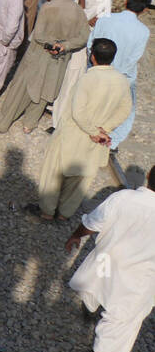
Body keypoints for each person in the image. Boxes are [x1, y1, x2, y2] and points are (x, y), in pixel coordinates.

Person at [32, 37, 132, 222]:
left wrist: (94, 131)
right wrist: (104, 130)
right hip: (99, 139)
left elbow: (78, 112)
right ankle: (65, 213)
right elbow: (125, 109)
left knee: (54, 172)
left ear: (92, 56)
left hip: (74, 133)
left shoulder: (87, 78)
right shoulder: (122, 81)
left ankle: (47, 211)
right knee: (82, 178)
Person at [67, 167, 155, 352]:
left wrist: (76, 235)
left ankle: (89, 310)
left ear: (149, 177)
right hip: (141, 277)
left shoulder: (123, 198)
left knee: (96, 286)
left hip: (109, 259)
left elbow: (93, 222)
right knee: (122, 318)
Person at [0, 0, 90, 136]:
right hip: (60, 57)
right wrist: (63, 46)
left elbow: (39, 35)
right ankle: (29, 124)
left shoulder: (48, 7)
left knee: (23, 87)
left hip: (40, 52)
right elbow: (83, 37)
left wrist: (51, 44)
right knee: (46, 88)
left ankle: (3, 123)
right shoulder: (79, 12)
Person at [87, 0, 152, 149]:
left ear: (126, 1)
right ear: (144, 10)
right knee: (126, 111)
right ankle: (112, 142)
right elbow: (133, 59)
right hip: (122, 78)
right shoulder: (143, 31)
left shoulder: (105, 19)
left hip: (96, 71)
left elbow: (90, 45)